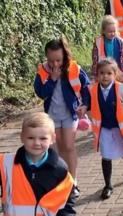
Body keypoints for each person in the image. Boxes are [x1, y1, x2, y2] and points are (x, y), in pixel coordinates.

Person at [0, 112, 76, 216]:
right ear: (22, 137)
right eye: (31, 138)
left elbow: (69, 198)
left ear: (52, 139)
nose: (37, 143)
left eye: (43, 138)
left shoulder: (59, 169)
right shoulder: (7, 164)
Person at [34, 38, 90, 196]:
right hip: (51, 117)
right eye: (51, 60)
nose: (55, 64)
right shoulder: (43, 71)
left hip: (69, 115)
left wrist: (85, 105)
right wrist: (51, 79)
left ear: (65, 56)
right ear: (46, 57)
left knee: (69, 147)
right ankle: (60, 182)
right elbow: (40, 92)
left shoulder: (74, 68)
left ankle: (73, 183)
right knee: (56, 150)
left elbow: (86, 87)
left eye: (58, 60)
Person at [88, 58, 123, 200]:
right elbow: (87, 103)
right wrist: (82, 108)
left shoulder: (122, 88)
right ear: (97, 75)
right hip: (104, 128)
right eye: (102, 73)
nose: (105, 76)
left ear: (114, 74)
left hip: (119, 128)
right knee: (106, 156)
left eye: (108, 73)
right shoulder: (93, 90)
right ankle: (108, 185)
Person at [91, 15, 123, 88]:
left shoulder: (121, 43)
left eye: (114, 31)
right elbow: (95, 60)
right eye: (109, 32)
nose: (112, 33)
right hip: (104, 73)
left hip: (119, 73)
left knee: (119, 91)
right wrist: (94, 75)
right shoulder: (98, 42)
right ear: (103, 31)